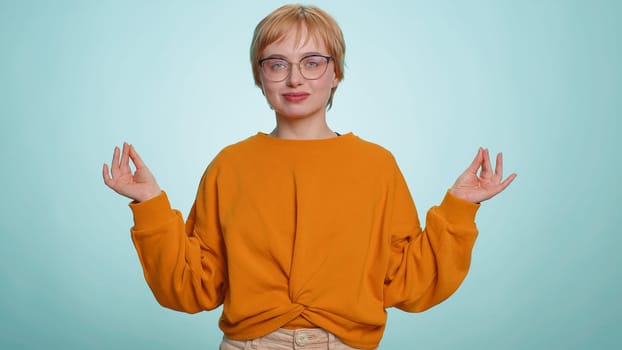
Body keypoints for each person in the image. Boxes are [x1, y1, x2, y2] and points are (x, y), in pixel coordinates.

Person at [102, 4, 516, 350]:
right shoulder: (229, 165)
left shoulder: (376, 165)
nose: (295, 78)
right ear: (259, 76)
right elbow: (195, 286)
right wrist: (150, 204)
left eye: (312, 63)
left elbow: (406, 280)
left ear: (336, 74)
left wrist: (460, 208)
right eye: (277, 63)